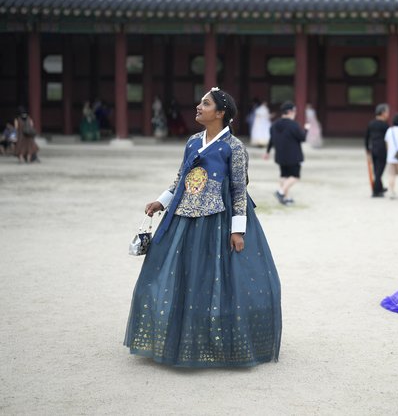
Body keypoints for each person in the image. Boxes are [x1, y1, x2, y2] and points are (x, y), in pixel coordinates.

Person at [124, 87, 282, 367]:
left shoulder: (234, 147)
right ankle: (182, 336)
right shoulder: (193, 141)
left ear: (221, 113)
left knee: (219, 278)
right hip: (185, 217)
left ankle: (218, 342)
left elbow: (238, 189)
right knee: (180, 273)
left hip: (218, 219)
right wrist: (161, 202)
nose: (198, 106)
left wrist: (237, 229)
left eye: (205, 104)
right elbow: (181, 178)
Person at [265, 101, 307, 205]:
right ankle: (281, 192)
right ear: (289, 111)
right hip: (293, 156)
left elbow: (271, 139)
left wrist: (268, 151)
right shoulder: (293, 125)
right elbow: (303, 138)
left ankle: (286, 198)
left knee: (284, 176)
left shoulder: (274, 125)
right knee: (295, 176)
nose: (295, 113)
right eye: (294, 111)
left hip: (280, 155)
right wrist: (306, 130)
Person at [365, 103, 390, 197]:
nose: (388, 114)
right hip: (382, 150)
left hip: (373, 149)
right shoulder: (385, 126)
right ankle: (375, 191)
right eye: (387, 112)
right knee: (379, 171)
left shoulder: (371, 123)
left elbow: (366, 137)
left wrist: (367, 149)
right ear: (383, 113)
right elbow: (388, 139)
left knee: (376, 170)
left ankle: (380, 188)